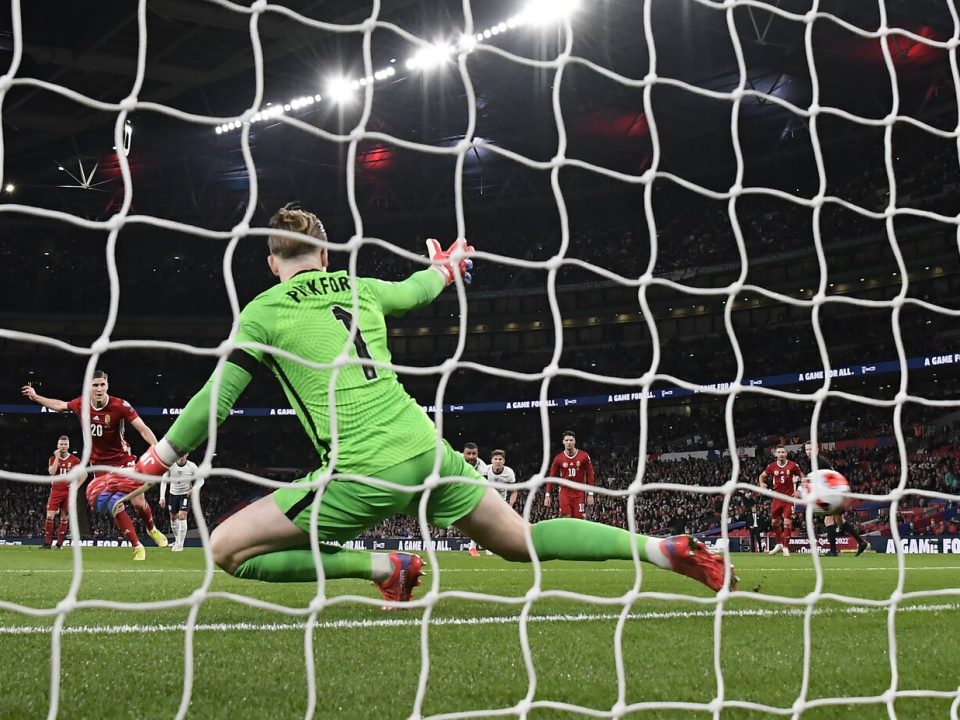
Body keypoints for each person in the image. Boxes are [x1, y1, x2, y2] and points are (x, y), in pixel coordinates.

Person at [119, 204, 735, 607]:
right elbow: (418, 289)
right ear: (326, 255)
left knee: (228, 549)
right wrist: (445, 267)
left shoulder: (263, 308)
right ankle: (666, 549)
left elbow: (214, 403)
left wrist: (150, 464)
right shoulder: (361, 288)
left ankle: (384, 566)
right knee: (522, 541)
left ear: (272, 262)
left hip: (363, 467)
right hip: (424, 446)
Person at [21, 371, 169, 560]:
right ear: (89, 387)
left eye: (102, 385)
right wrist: (35, 397)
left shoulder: (120, 405)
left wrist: (158, 451)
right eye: (95, 385)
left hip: (122, 459)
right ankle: (137, 546)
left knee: (138, 503)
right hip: (98, 463)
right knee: (114, 504)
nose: (99, 388)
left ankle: (152, 529)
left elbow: (143, 429)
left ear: (107, 385)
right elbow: (59, 406)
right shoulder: (81, 404)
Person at [804, 440, 868, 557]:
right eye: (807, 449)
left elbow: (830, 479)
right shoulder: (814, 462)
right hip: (834, 492)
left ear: (817, 449)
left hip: (833, 493)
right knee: (840, 521)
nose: (809, 452)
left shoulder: (819, 462)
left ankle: (833, 551)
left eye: (811, 449)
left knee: (828, 519)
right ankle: (861, 542)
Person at [758, 445, 802, 556]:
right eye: (779, 452)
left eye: (783, 452)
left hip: (788, 498)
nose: (781, 454)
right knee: (774, 522)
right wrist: (761, 483)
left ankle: (786, 547)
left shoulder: (793, 465)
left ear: (786, 454)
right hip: (777, 498)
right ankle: (779, 544)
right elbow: (762, 476)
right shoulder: (772, 466)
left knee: (787, 522)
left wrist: (799, 490)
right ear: (775, 454)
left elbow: (803, 477)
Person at [42, 435, 84, 549]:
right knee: (50, 516)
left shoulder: (75, 460)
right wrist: (57, 457)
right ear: (57, 445)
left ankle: (59, 544)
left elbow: (84, 475)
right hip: (56, 491)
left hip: (68, 493)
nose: (63, 446)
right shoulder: (52, 458)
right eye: (61, 444)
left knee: (64, 518)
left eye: (65, 444)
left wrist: (76, 487)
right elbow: (52, 472)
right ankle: (47, 543)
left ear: (68, 445)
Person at [544, 431, 595, 519]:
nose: (569, 442)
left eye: (571, 440)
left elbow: (590, 474)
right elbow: (551, 477)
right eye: (566, 440)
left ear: (574, 441)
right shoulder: (558, 458)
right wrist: (547, 495)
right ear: (563, 442)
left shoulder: (584, 456)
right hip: (565, 493)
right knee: (566, 518)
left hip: (579, 493)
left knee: (578, 519)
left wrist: (590, 494)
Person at [160, 454, 203, 552]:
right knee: (173, 518)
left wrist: (194, 489)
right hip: (173, 495)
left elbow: (201, 480)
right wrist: (162, 497)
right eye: (180, 455)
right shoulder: (170, 465)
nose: (181, 456)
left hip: (185, 495)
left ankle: (180, 544)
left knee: (182, 516)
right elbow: (164, 480)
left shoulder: (191, 466)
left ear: (187, 455)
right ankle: (177, 541)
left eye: (184, 455)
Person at [462, 443, 488, 556]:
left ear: (477, 453)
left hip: (471, 493)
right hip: (454, 489)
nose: (471, 456)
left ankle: (473, 547)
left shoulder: (482, 467)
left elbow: (483, 487)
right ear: (464, 453)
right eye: (468, 453)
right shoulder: (456, 460)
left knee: (479, 520)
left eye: (474, 454)